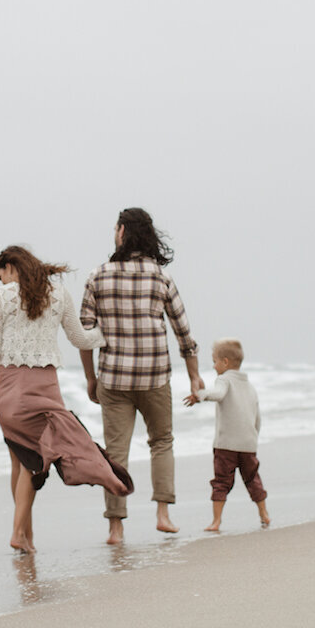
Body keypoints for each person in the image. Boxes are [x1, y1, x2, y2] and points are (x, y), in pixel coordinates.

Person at [0, 245, 133, 554]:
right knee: (31, 462)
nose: (1, 281)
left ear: (10, 266)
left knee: (22, 461)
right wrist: (108, 332)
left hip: (9, 392)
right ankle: (20, 533)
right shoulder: (58, 294)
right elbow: (80, 339)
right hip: (45, 388)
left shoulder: (0, 297)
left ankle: (25, 535)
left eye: (1, 274)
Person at [79, 207, 203, 544]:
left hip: (114, 378)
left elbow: (85, 335)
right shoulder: (161, 277)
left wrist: (91, 379)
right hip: (154, 376)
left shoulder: (97, 276)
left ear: (122, 232)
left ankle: (115, 528)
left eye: (115, 229)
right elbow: (183, 331)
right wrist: (194, 376)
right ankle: (163, 515)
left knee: (115, 452)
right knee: (161, 442)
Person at [184, 338, 270, 531]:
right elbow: (257, 418)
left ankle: (216, 521)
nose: (213, 366)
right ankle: (264, 514)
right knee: (253, 479)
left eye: (214, 361)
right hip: (248, 445)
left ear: (225, 362)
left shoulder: (224, 379)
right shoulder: (250, 387)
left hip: (226, 445)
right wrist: (253, 438)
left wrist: (200, 394)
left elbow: (219, 394)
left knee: (221, 482)